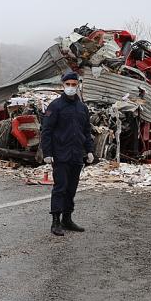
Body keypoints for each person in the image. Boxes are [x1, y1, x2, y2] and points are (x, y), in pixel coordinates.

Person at [40, 71, 94, 236]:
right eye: (68, 84)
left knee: (71, 189)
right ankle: (56, 221)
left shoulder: (82, 108)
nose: (71, 87)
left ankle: (67, 219)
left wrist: (90, 150)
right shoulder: (55, 106)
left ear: (78, 86)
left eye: (74, 84)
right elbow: (46, 131)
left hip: (76, 155)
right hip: (60, 154)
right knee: (60, 188)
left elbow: (86, 130)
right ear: (63, 85)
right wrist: (47, 152)